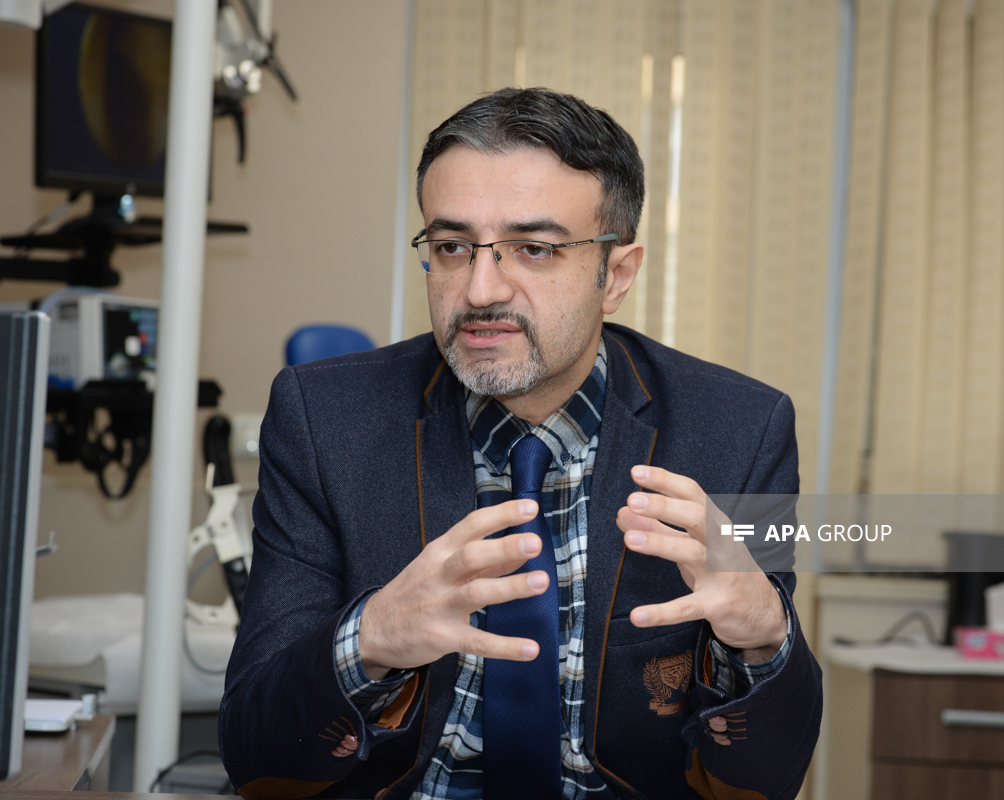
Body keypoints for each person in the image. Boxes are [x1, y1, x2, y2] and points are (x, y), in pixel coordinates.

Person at [220, 87, 822, 800]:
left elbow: (768, 781)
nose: (480, 290)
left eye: (533, 249)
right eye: (452, 247)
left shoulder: (738, 432)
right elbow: (253, 753)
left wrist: (764, 637)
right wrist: (371, 638)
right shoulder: (325, 420)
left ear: (615, 276)